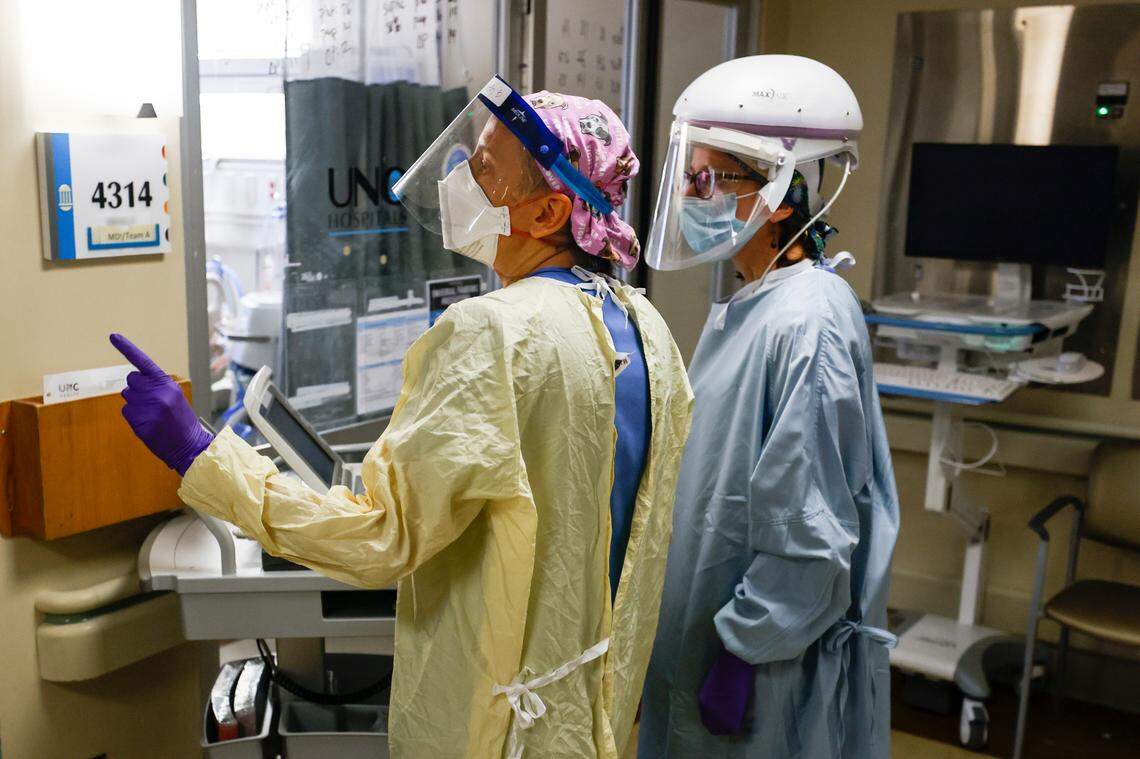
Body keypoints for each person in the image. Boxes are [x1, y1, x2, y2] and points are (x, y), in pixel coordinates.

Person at [112, 78, 693, 759]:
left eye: (482, 169)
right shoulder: (650, 332)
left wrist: (199, 454)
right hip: (597, 720)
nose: (458, 180)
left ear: (548, 213)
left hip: (502, 733)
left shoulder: (493, 335)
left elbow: (380, 536)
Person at [637, 55, 900, 758]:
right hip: (709, 635)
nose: (693, 198)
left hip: (760, 668)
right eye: (687, 178)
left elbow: (810, 531)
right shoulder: (754, 305)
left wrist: (742, 652)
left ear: (780, 196)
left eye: (708, 180)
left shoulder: (805, 323)